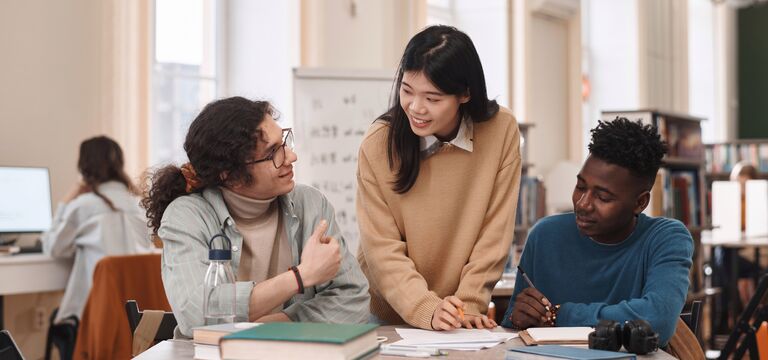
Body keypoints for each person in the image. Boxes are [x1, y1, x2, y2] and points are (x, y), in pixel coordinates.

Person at [143, 96, 370, 337]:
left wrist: (277, 324)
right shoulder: (186, 217)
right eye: (273, 153)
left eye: (284, 142)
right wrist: (300, 277)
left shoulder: (311, 205)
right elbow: (195, 314)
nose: (291, 157)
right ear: (230, 175)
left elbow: (353, 299)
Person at [356, 25, 522, 331]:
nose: (416, 108)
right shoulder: (379, 143)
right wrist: (425, 308)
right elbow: (381, 248)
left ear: (465, 93)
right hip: (388, 315)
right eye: (407, 91)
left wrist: (470, 303)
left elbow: (495, 230)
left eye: (432, 98)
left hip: (460, 315)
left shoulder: (501, 130)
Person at [501, 118, 693, 346]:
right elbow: (511, 328)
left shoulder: (665, 238)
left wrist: (559, 315)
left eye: (603, 197)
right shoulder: (545, 236)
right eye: (580, 187)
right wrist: (517, 317)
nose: (583, 204)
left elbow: (657, 319)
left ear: (640, 203)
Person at [42, 136, 152, 324]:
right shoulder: (138, 205)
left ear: (84, 168)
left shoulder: (83, 205)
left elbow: (53, 248)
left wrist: (65, 202)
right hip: (138, 312)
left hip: (97, 314)